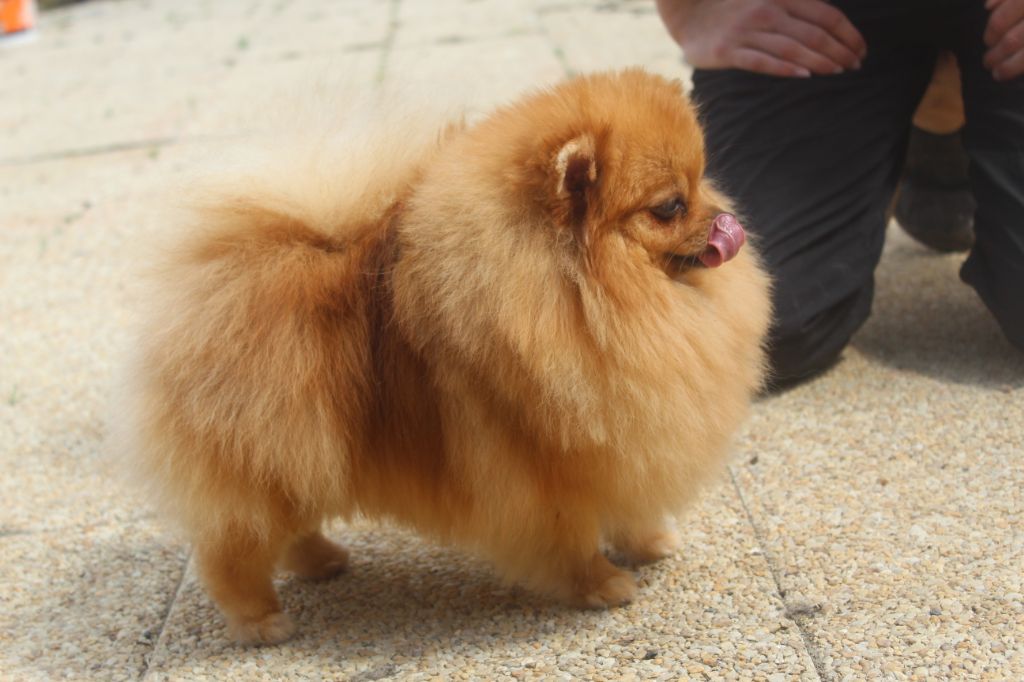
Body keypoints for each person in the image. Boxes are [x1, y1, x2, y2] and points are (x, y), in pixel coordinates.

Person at [656, 0, 1024, 387]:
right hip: (821, 16)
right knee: (750, 318)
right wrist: (691, 12)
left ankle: (944, 131)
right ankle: (928, 131)